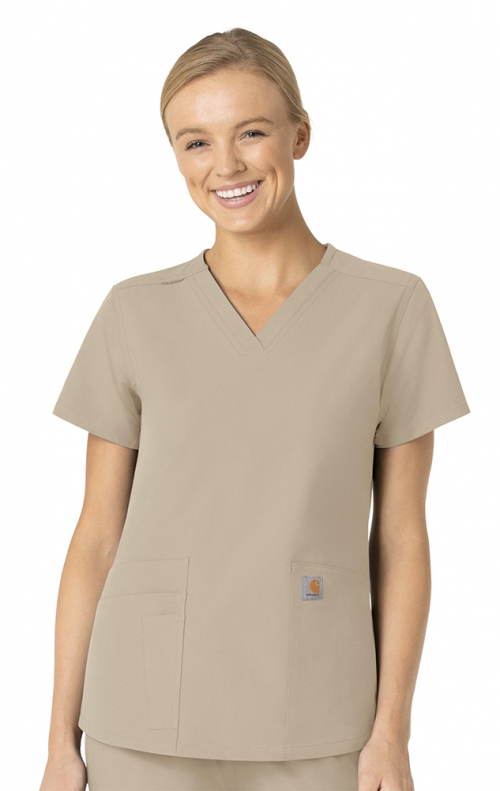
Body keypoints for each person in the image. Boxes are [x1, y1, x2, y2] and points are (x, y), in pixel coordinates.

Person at [39, 27, 471, 791]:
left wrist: (392, 732)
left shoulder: (392, 307)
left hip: (318, 716)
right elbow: (96, 537)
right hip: (142, 718)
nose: (226, 165)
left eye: (251, 132)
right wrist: (57, 742)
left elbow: (403, 538)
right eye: (196, 142)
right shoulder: (134, 312)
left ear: (299, 135)